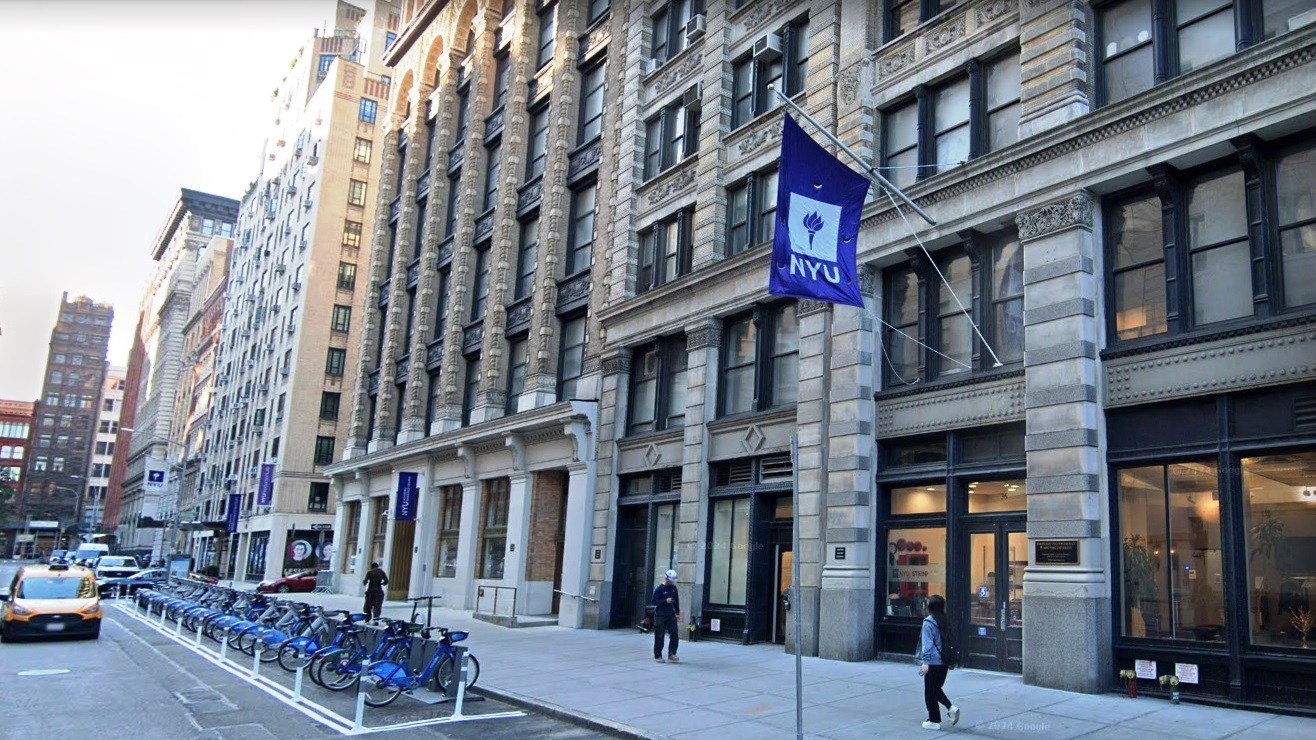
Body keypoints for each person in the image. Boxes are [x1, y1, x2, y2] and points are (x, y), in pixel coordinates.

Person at [917, 594, 961, 730]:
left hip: (933, 662)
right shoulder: (944, 621)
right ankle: (951, 708)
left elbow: (927, 644)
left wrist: (925, 662)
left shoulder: (928, 622)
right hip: (944, 661)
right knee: (936, 689)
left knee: (930, 693)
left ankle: (934, 721)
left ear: (930, 607)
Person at [651, 569, 681, 663]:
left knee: (674, 633)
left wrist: (677, 612)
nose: (672, 582)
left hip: (671, 614)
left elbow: (676, 601)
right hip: (660, 615)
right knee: (659, 635)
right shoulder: (659, 589)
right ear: (666, 579)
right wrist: (665, 601)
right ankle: (658, 655)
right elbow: (654, 601)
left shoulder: (673, 588)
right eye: (671, 580)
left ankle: (672, 654)